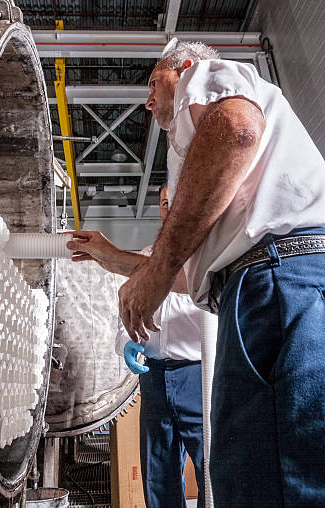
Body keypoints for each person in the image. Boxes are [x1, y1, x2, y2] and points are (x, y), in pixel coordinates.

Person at [68, 39, 325, 507]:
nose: (146, 100)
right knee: (255, 470)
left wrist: (155, 272)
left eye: (152, 82)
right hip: (267, 282)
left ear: (183, 66)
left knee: (271, 472)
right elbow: (189, 280)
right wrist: (117, 260)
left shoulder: (202, 77)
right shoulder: (226, 193)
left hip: (278, 280)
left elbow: (237, 130)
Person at [116, 183, 204, 508]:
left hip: (197, 373)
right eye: (164, 202)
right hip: (152, 376)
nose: (169, 207)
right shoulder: (140, 259)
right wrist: (128, 342)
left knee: (209, 465)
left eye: (175, 201)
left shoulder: (204, 261)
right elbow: (125, 310)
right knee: (158, 466)